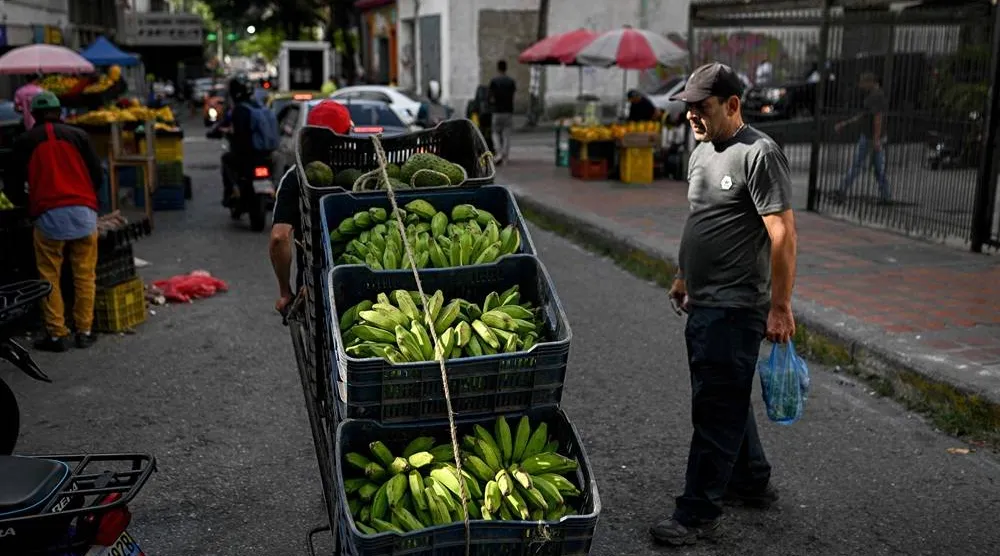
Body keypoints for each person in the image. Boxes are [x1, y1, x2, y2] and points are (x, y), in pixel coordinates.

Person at [650, 62, 798, 546]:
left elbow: (782, 234)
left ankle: (696, 513)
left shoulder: (759, 153)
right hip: (703, 303)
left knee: (715, 408)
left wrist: (780, 307)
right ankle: (750, 480)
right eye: (688, 108)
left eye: (702, 107)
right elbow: (701, 220)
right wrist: (681, 274)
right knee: (725, 397)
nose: (692, 116)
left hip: (737, 309)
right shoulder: (701, 153)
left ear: (732, 105)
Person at [7, 92, 104, 352]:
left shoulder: (25, 141)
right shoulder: (79, 136)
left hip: (49, 216)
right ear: (60, 111)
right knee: (85, 275)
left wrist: (27, 207)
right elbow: (96, 175)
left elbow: (13, 185)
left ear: (33, 115)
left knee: (49, 276)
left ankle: (56, 334)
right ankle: (84, 330)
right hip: (83, 213)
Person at [270, 100, 353, 314]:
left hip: (312, 287)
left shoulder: (295, 178)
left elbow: (279, 237)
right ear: (348, 133)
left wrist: (285, 292)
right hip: (360, 278)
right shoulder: (364, 172)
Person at [832, 72, 890, 204]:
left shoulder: (876, 96)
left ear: (870, 82)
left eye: (862, 83)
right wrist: (845, 123)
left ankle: (842, 190)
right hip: (873, 137)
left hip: (871, 137)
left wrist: (876, 138)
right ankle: (886, 195)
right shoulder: (874, 95)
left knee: (858, 165)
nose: (860, 86)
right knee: (877, 168)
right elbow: (865, 116)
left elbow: (877, 118)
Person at [216, 75, 266, 206]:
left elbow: (238, 132)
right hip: (263, 153)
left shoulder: (238, 110)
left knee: (225, 160)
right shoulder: (258, 106)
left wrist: (224, 131)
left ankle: (233, 190)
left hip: (244, 155)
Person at [488, 60, 516, 164]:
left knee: (495, 133)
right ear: (506, 68)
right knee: (506, 134)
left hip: (497, 111)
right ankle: (505, 156)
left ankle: (498, 152)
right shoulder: (511, 81)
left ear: (498, 68)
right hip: (508, 111)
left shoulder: (494, 81)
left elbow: (490, 97)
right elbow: (512, 94)